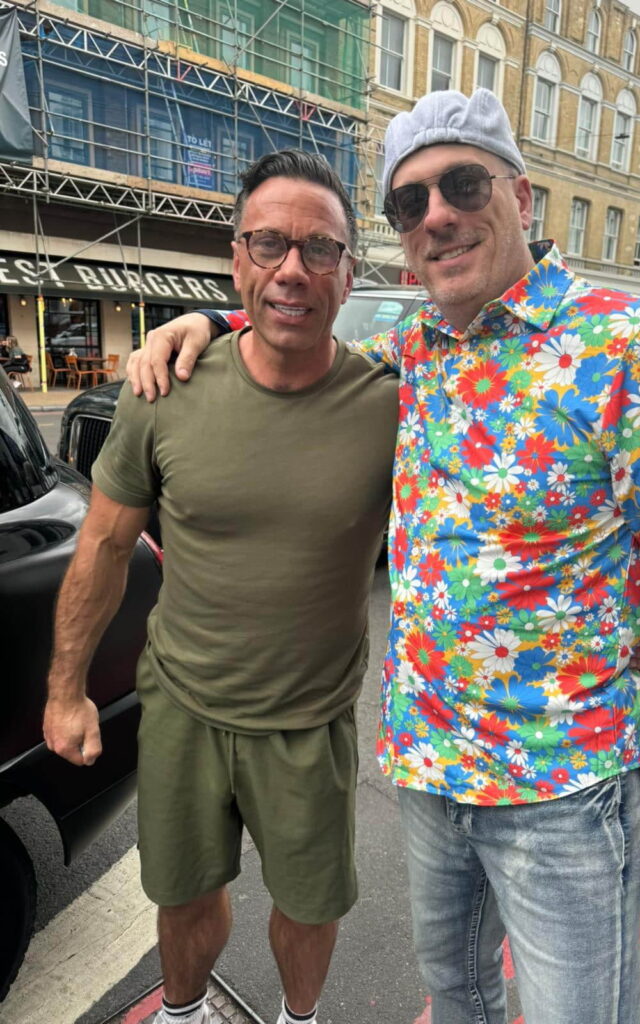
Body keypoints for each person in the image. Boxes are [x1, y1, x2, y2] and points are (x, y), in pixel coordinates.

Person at [127, 89, 640, 1024]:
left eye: (463, 184)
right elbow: (295, 329)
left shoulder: (631, 345)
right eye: (409, 202)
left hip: (564, 788)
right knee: (460, 997)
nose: (437, 216)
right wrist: (211, 325)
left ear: (521, 197)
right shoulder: (413, 350)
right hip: (429, 769)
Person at [43, 150, 400, 1024]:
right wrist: (66, 691)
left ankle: (298, 1020)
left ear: (348, 271)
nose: (293, 268)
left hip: (310, 724)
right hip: (184, 709)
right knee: (183, 895)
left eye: (320, 248)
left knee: (311, 907)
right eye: (269, 243)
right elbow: (103, 546)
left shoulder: (394, 402)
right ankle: (184, 1013)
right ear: (236, 258)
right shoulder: (165, 389)